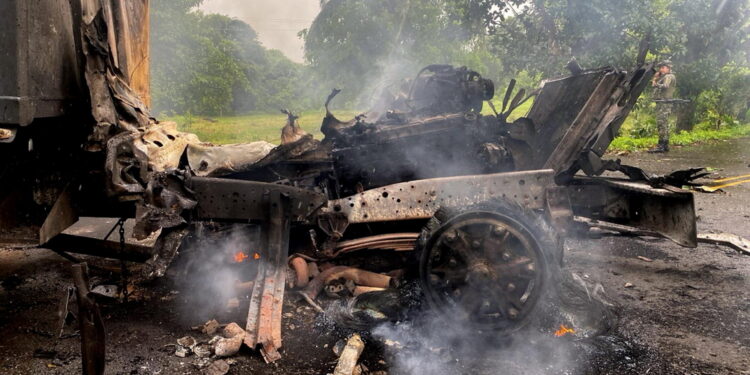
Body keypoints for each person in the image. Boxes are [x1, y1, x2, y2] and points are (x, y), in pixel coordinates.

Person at [649, 60, 676, 153]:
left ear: (668, 68)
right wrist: (656, 78)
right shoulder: (664, 76)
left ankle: (662, 145)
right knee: (663, 123)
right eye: (660, 68)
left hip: (664, 103)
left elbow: (665, 86)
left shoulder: (669, 76)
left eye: (663, 67)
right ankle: (664, 144)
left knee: (662, 123)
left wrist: (656, 83)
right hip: (662, 103)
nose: (661, 69)